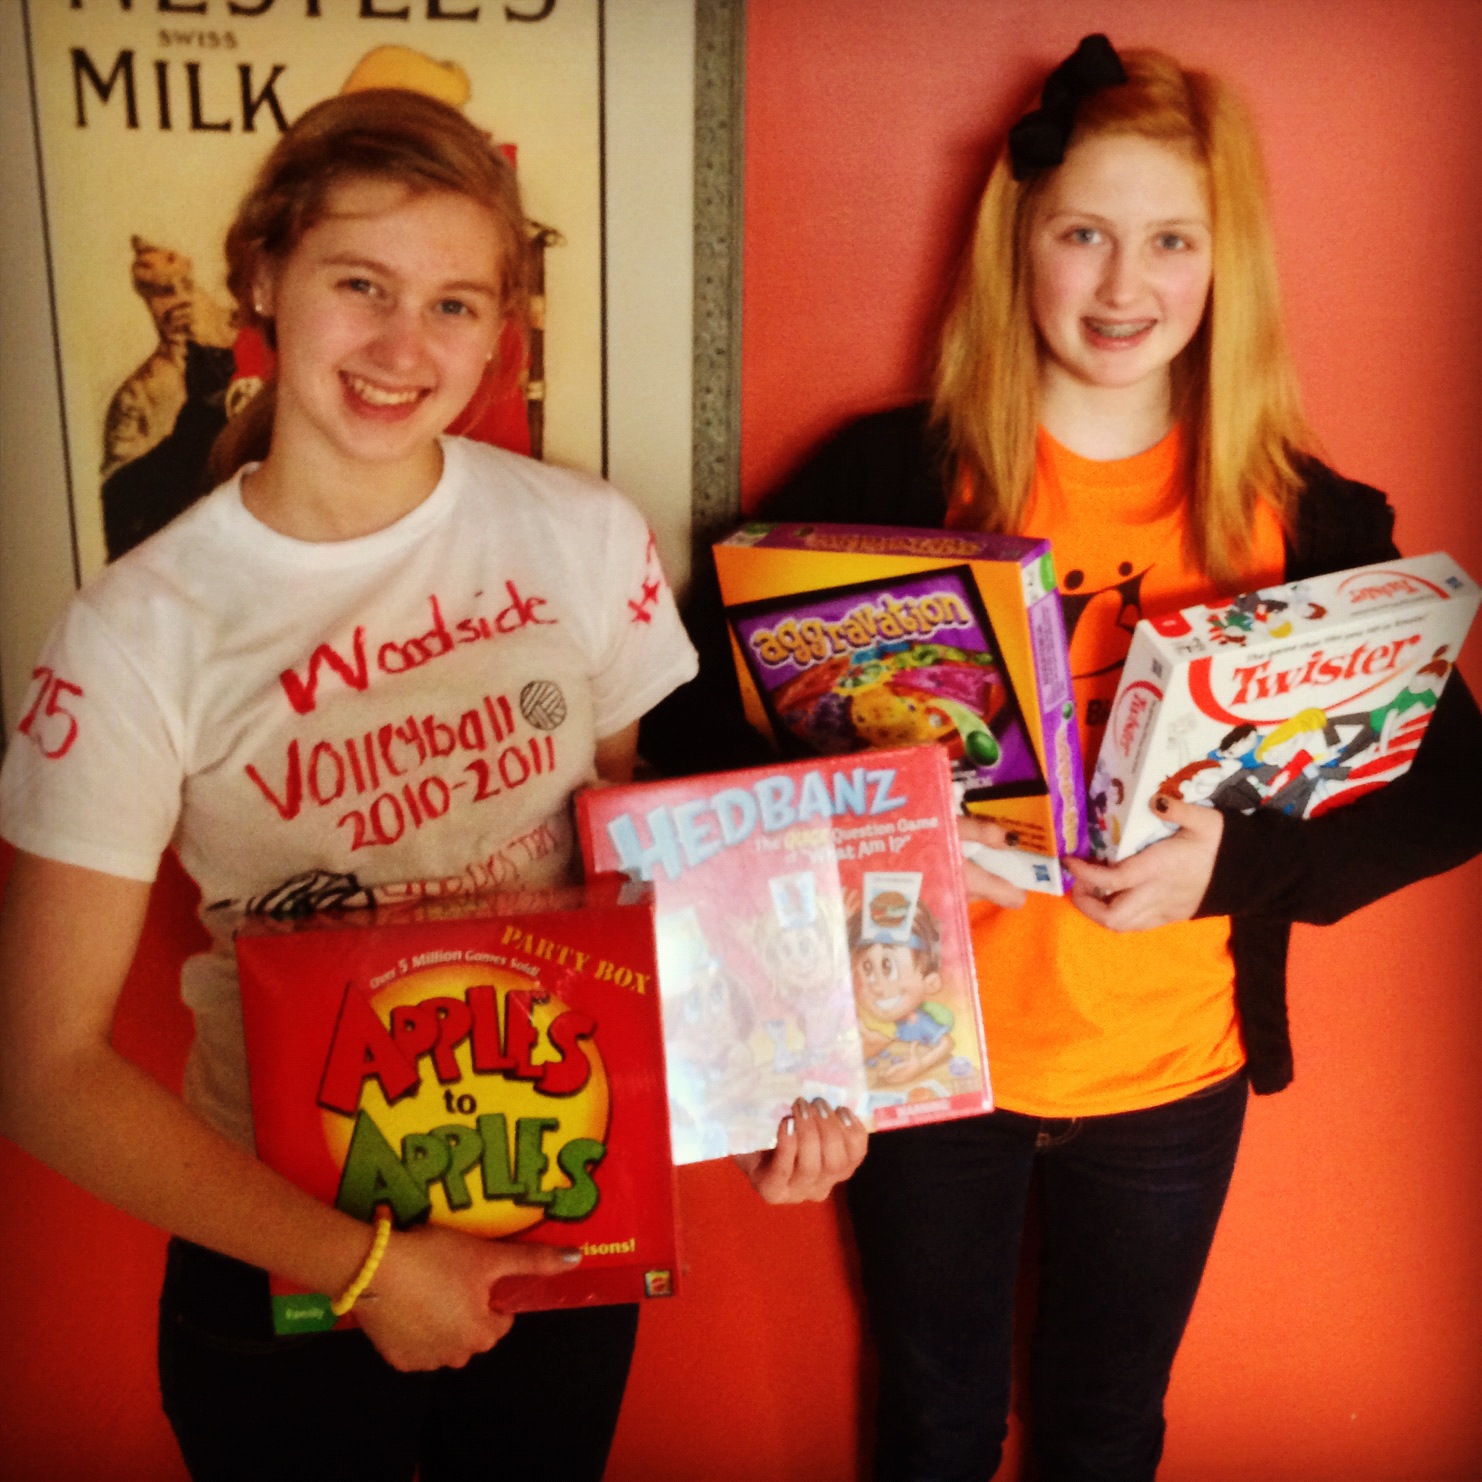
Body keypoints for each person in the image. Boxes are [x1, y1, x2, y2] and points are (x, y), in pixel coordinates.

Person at [642, 35, 1482, 1482]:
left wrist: (1238, 863)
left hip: (1171, 1075)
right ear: (1016, 245)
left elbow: (1455, 790)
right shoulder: (890, 477)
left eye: (1170, 240)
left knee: (1106, 1434)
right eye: (1082, 233)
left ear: (1225, 263)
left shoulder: (1303, 514)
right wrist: (887, 833)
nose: (1121, 284)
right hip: (923, 1076)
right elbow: (682, 747)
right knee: (933, 1427)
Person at [0, 88, 864, 1482]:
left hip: (556, 1209)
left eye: (455, 304)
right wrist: (364, 1268)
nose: (406, 348)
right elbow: (41, 1069)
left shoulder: (582, 536)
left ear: (501, 325)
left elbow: (624, 884)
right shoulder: (138, 630)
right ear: (263, 276)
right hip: (284, 1260)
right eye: (362, 285)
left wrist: (754, 1088)